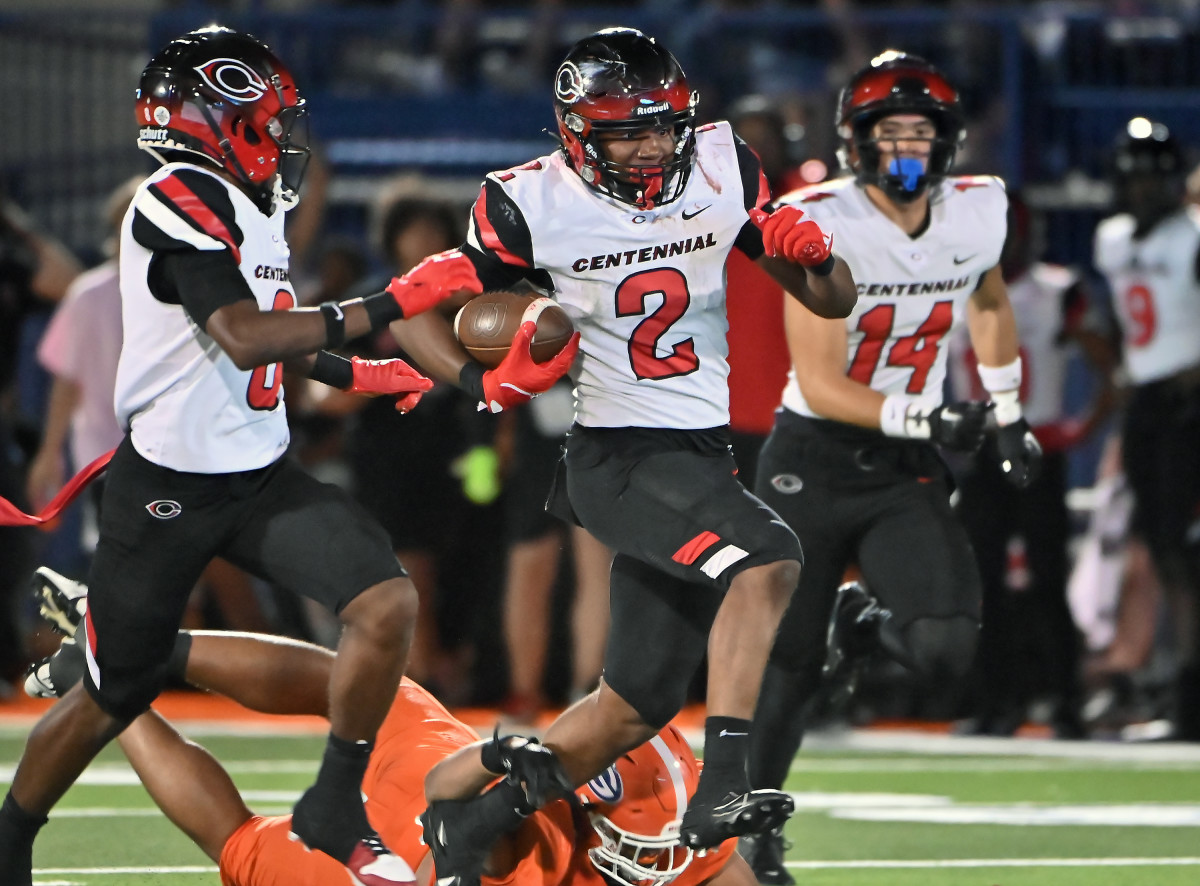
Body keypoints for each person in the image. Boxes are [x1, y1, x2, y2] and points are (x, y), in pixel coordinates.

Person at [0, 25, 485, 886]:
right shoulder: (175, 195)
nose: (281, 139)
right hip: (169, 491)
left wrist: (363, 372)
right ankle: (9, 839)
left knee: (384, 604)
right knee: (116, 695)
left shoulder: (246, 201)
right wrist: (391, 303)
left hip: (256, 475)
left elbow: (279, 331)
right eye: (267, 120)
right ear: (211, 118)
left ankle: (336, 804)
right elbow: (242, 334)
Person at [388, 27, 856, 872]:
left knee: (630, 709)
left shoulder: (722, 165)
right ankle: (728, 782)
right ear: (577, 134)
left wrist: (814, 255)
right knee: (768, 558)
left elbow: (830, 300)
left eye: (663, 126)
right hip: (618, 457)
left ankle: (474, 822)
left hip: (698, 457)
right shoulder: (529, 201)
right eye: (628, 133)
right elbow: (412, 307)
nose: (652, 147)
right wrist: (474, 382)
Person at [741, 51, 1042, 883]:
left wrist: (1009, 409)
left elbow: (985, 296)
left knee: (945, 648)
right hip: (813, 454)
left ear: (947, 142)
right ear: (855, 142)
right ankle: (754, 829)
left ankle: (865, 626)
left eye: (921, 130)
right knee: (789, 664)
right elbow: (828, 383)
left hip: (903, 454)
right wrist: (938, 414)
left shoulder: (975, 214)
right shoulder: (819, 222)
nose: (906, 146)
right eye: (890, 130)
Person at [23, 570, 753, 886]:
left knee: (349, 684)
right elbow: (448, 798)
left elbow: (718, 868)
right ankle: (110, 688)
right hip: (420, 842)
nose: (672, 863)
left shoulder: (628, 768)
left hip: (460, 766)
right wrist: (497, 763)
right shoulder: (521, 865)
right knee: (238, 841)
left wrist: (499, 756)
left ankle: (127, 647)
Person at [950, 194, 1116, 739]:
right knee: (982, 584)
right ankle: (994, 701)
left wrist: (1077, 428)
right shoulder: (948, 289)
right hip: (978, 448)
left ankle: (1064, 702)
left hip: (1036, 448)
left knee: (1048, 581)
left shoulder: (1056, 291)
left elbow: (1109, 368)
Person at [1091, 117, 1200, 741]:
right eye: (1131, 180)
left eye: (1150, 179)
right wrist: (1121, 376)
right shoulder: (1113, 239)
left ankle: (1186, 692)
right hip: (1149, 407)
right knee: (1162, 549)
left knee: (1182, 552)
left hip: (1188, 405)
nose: (1139, 192)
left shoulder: (1192, 238)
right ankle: (1177, 689)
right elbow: (1115, 323)